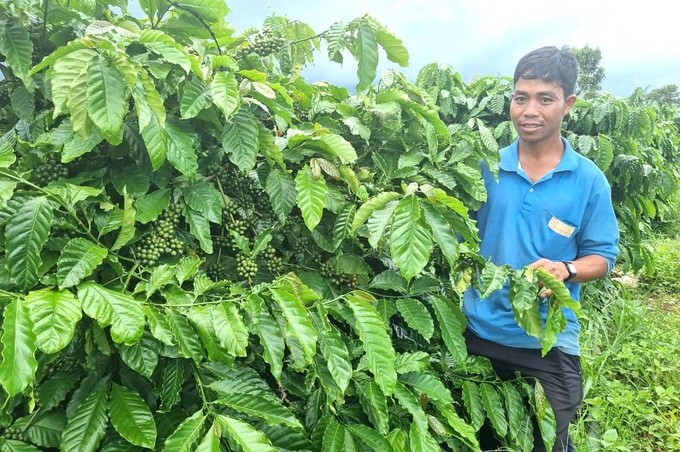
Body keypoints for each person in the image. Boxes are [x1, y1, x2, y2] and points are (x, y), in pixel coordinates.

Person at [462, 46, 620, 451]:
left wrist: (566, 269)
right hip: (480, 332)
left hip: (548, 342)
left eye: (544, 99)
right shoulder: (485, 168)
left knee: (549, 443)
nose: (529, 111)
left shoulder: (588, 179)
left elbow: (602, 257)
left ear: (568, 104)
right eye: (521, 97)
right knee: (481, 440)